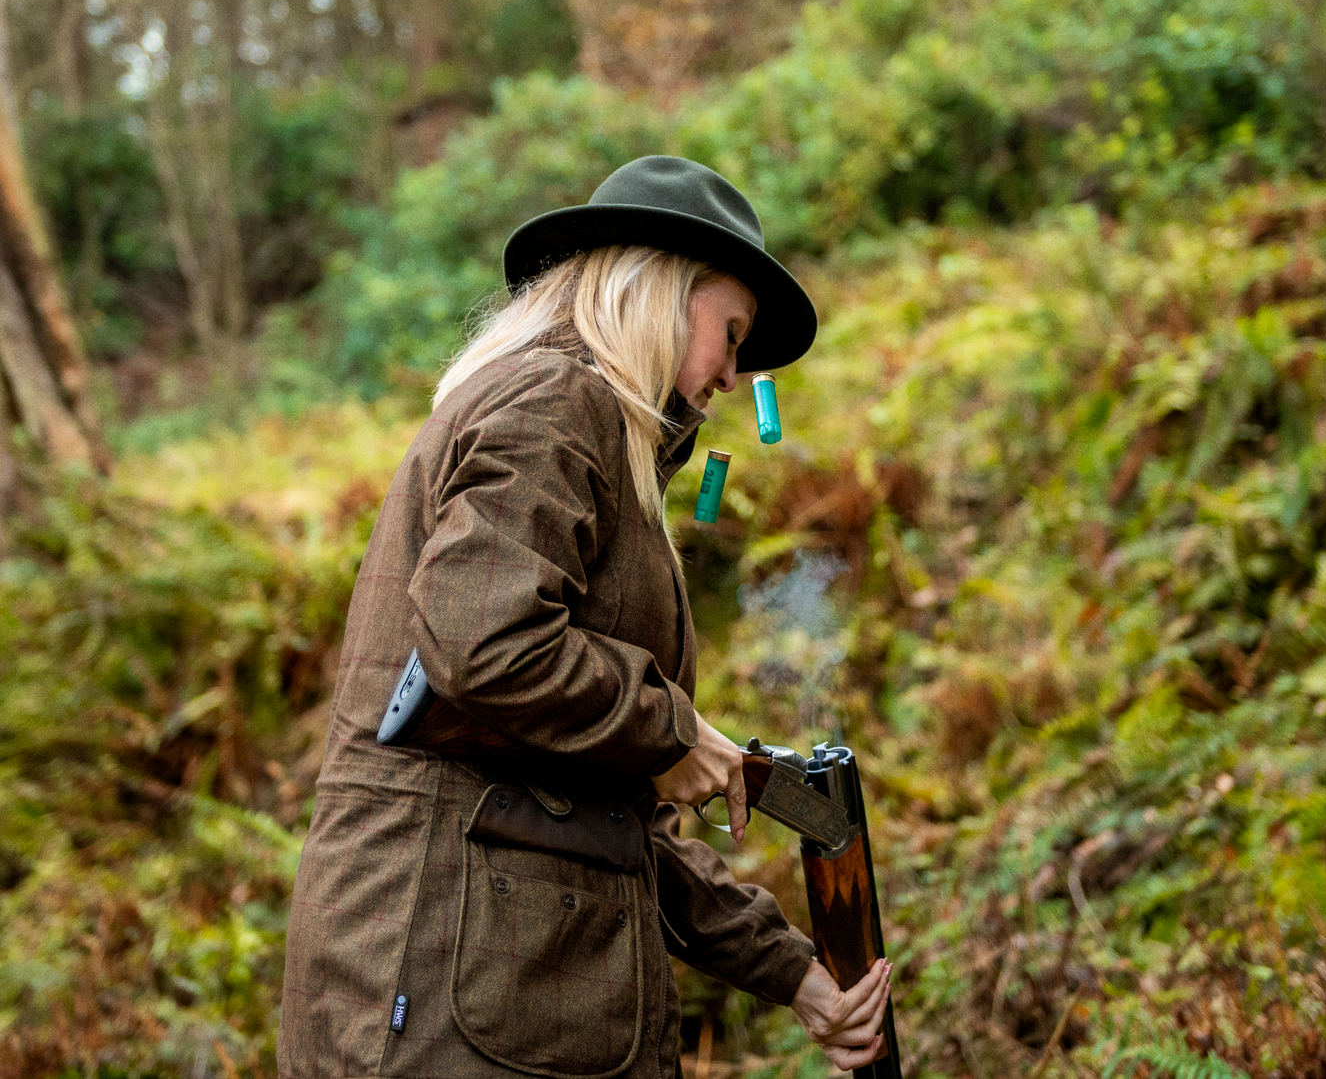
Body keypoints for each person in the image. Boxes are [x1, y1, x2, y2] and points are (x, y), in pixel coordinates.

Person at [279, 156, 892, 1078]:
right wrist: (670, 728)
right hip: (444, 990)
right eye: (731, 333)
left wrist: (794, 975)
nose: (733, 373)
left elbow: (607, 812)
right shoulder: (555, 401)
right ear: (659, 289)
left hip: (496, 986)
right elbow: (486, 647)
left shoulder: (591, 430)